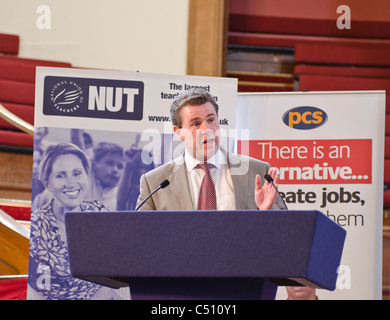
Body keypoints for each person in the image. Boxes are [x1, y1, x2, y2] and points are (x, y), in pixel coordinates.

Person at [136, 88, 316, 300]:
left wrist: (266, 213)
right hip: (178, 293)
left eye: (211, 120)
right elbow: (140, 243)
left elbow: (287, 238)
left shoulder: (256, 171)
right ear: (178, 132)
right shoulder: (156, 182)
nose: (207, 129)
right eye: (196, 124)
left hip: (244, 291)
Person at [27, 143, 128, 300]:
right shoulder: (38, 226)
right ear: (47, 183)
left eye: (77, 173)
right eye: (60, 175)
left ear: (87, 176)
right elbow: (38, 293)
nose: (71, 183)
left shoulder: (100, 212)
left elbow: (114, 276)